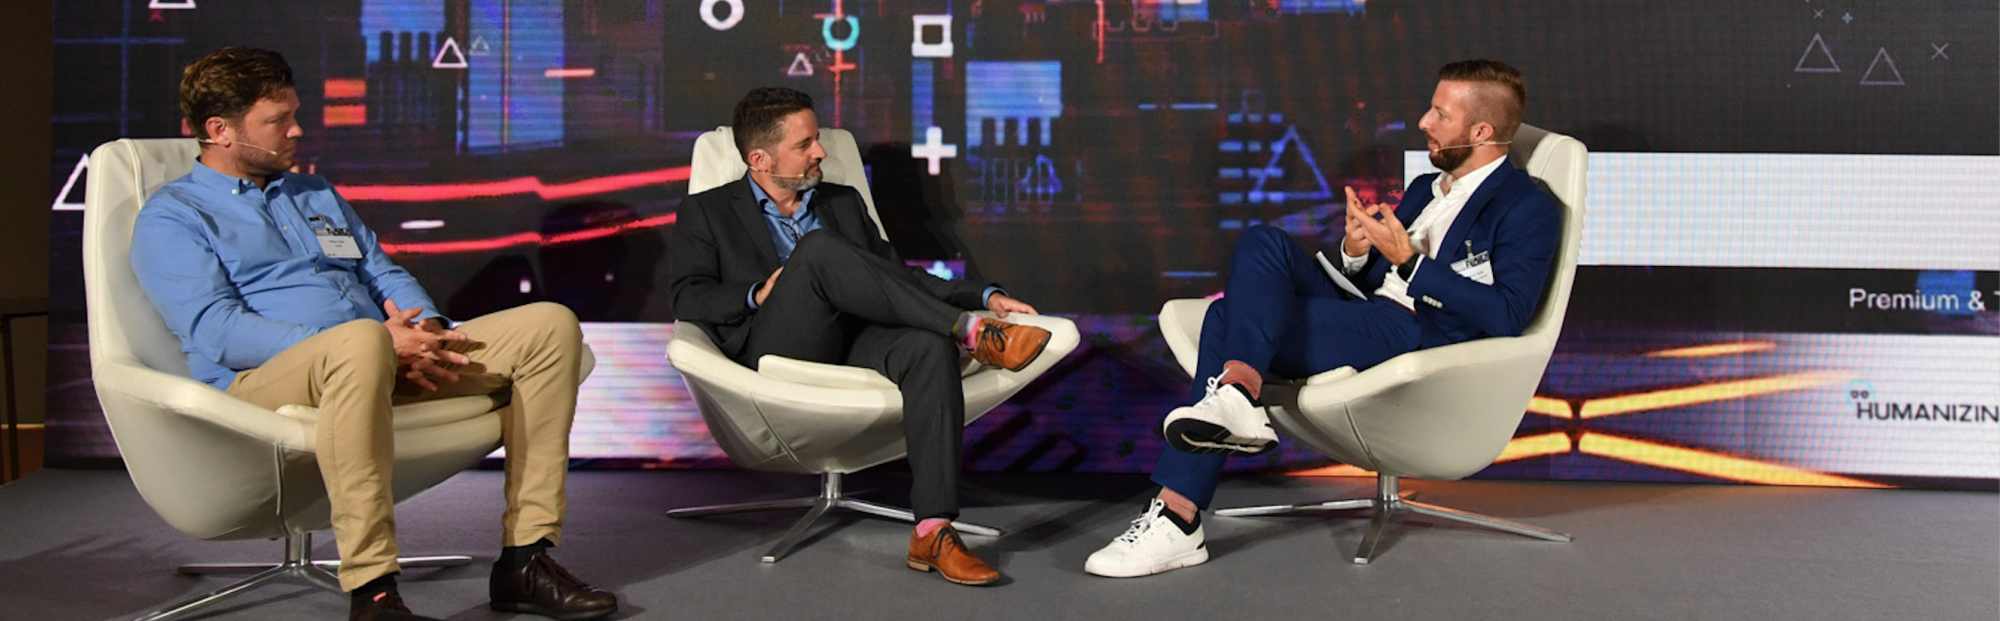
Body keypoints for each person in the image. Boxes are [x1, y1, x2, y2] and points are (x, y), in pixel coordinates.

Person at [130, 47, 617, 621]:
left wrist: (425, 330)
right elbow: (219, 331)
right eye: (278, 120)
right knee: (360, 340)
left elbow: (381, 271)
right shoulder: (174, 216)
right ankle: (374, 592)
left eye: (294, 114)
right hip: (262, 380)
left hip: (381, 355)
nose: (297, 130)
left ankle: (524, 561)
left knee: (549, 326)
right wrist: (376, 344)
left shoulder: (312, 192)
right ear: (220, 131)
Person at [1084, 59, 1563, 578]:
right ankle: (1236, 401)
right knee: (1263, 241)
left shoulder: (1526, 206)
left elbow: (1509, 314)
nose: (1424, 122)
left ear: (1482, 132)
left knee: (1224, 317)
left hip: (1417, 333)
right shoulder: (1427, 187)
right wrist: (1357, 251)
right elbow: (1373, 275)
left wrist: (1411, 263)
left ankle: (1180, 513)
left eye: (1440, 115)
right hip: (1367, 310)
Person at [668, 87, 1054, 586]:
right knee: (818, 250)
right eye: (804, 144)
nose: (820, 152)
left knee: (928, 348)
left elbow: (897, 278)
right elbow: (687, 297)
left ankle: (934, 530)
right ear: (760, 159)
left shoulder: (843, 201)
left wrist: (983, 294)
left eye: (818, 139)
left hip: (853, 338)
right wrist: (756, 294)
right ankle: (971, 333)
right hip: (776, 347)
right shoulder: (709, 210)